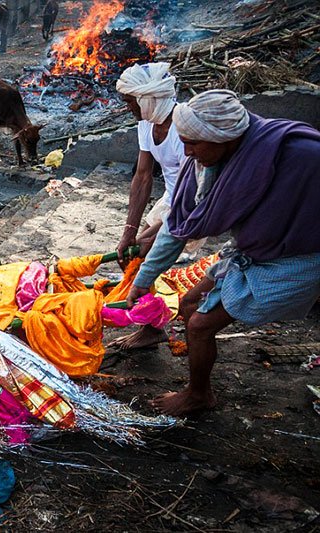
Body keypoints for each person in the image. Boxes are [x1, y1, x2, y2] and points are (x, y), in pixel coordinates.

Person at [125, 89, 320, 416]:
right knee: (188, 303)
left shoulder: (302, 154)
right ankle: (197, 373)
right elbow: (179, 226)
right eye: (183, 141)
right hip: (254, 250)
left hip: (298, 258)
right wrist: (143, 280)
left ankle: (199, 394)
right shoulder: (207, 162)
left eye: (193, 144)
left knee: (200, 325)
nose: (186, 152)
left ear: (223, 138)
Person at [111, 62, 206, 350]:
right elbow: (142, 176)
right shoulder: (147, 123)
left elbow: (192, 193)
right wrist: (130, 230)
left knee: (144, 258)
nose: (128, 109)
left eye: (130, 102)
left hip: (196, 203)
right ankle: (152, 324)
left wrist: (152, 233)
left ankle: (152, 327)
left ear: (148, 98)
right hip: (171, 201)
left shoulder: (184, 128)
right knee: (137, 252)